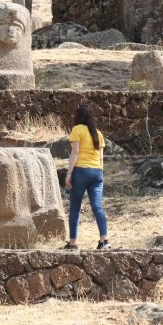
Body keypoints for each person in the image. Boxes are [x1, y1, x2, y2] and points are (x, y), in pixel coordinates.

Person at [62, 104, 111, 250]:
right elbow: (101, 158)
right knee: (97, 207)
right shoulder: (98, 133)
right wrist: (100, 175)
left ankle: (73, 243)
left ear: (78, 117)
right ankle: (104, 239)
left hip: (81, 171)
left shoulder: (77, 130)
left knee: (75, 208)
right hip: (97, 173)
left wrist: (69, 173)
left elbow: (75, 153)